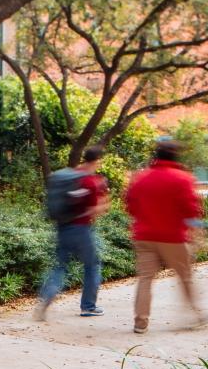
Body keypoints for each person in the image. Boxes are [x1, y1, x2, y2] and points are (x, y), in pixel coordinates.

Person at [125, 140, 205, 333]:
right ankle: (195, 315)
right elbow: (190, 209)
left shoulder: (140, 178)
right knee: (184, 277)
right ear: (176, 156)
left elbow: (130, 205)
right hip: (173, 237)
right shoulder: (183, 178)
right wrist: (196, 231)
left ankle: (140, 321)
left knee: (145, 279)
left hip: (144, 235)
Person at [35, 146, 109, 320]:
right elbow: (95, 210)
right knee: (92, 265)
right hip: (82, 230)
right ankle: (88, 306)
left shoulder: (71, 175)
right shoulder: (91, 181)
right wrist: (105, 199)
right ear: (97, 160)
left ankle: (46, 298)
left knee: (60, 266)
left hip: (63, 228)